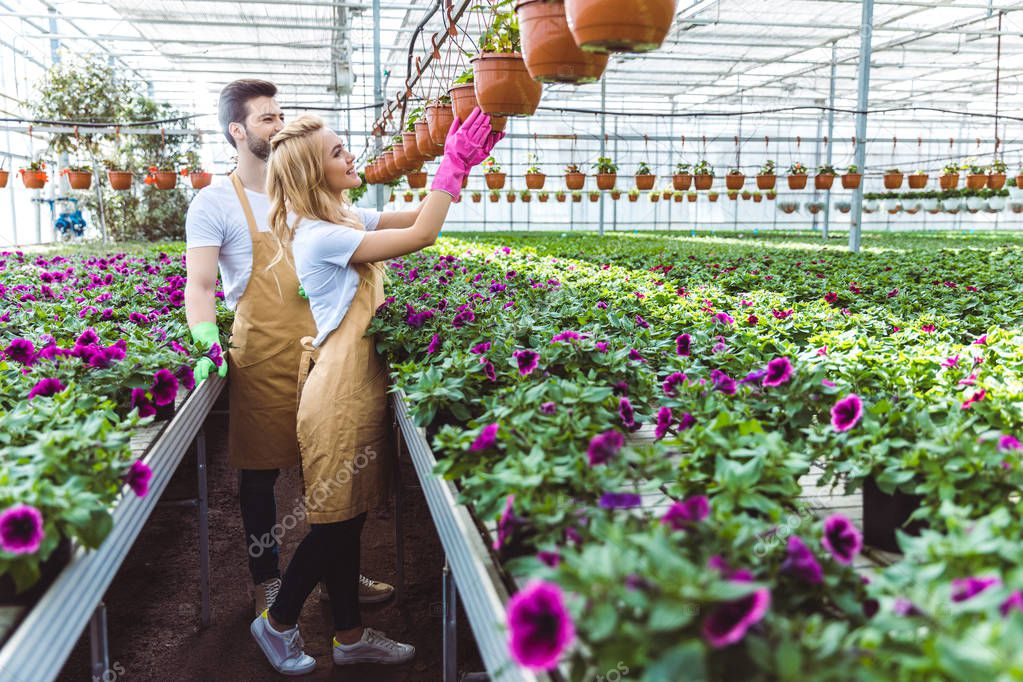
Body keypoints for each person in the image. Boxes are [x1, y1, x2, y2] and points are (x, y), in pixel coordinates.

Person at [248, 108, 501, 675]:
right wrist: (449, 162)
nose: (350, 156)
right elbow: (422, 235)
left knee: (351, 514)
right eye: (338, 152)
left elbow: (416, 215)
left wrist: (457, 176)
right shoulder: (321, 236)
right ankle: (278, 622)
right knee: (334, 521)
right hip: (338, 389)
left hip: (355, 381)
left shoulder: (343, 214)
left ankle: (349, 635)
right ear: (316, 173)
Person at [184, 79, 402, 618]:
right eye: (266, 119)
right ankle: (268, 580)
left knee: (327, 474)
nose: (278, 126)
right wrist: (205, 336)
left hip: (324, 351)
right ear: (237, 131)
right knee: (259, 479)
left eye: (281, 116)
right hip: (261, 357)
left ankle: (335, 575)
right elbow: (201, 285)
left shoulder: (308, 197)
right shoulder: (215, 201)